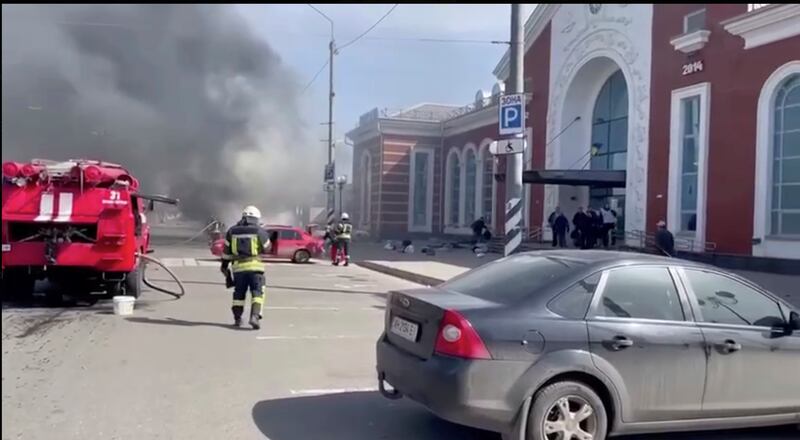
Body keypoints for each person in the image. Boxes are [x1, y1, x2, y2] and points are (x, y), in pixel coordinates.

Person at [220, 205, 272, 329]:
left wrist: (224, 267)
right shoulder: (259, 231)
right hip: (255, 268)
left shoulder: (232, 231)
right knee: (257, 293)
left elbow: (226, 253)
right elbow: (268, 248)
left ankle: (237, 318)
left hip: (238, 269)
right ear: (256, 218)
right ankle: (254, 316)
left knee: (239, 294)